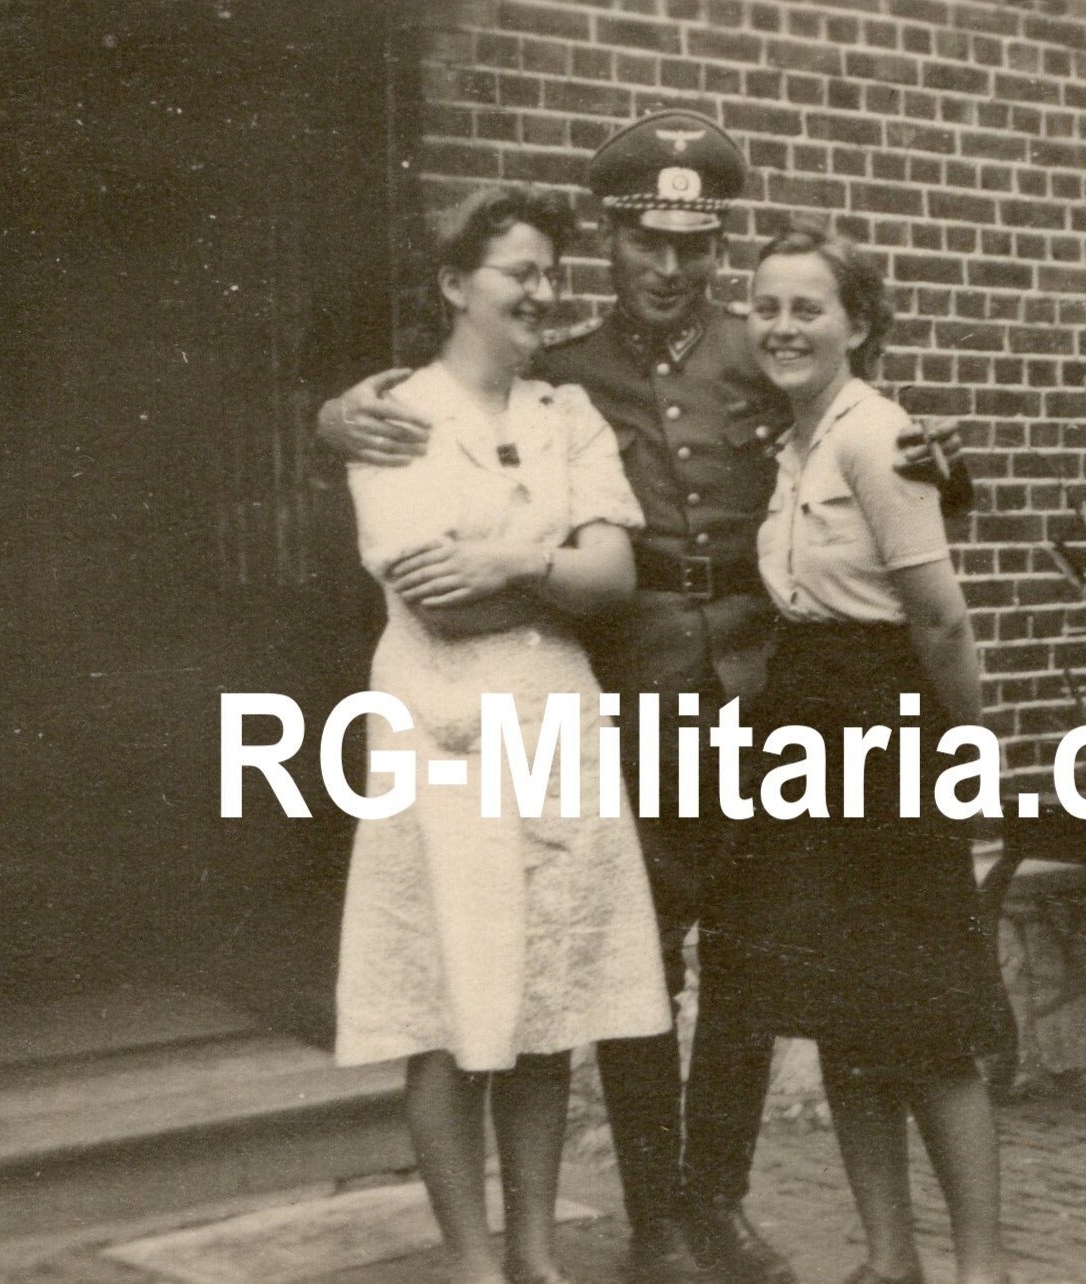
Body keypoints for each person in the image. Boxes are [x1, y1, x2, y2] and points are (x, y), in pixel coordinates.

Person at [320, 111, 969, 1284]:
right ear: (611, 241)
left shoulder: (763, 350)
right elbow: (438, 413)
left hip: (766, 691)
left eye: (695, 245)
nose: (670, 270)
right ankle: (656, 1217)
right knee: (634, 963)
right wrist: (331, 418)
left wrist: (945, 465)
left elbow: (866, 437)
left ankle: (715, 1200)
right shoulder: (561, 372)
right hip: (627, 686)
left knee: (752, 959)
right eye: (642, 243)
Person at [333, 186, 671, 1284]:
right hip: (441, 735)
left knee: (544, 1003)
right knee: (452, 999)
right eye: (519, 272)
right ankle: (476, 1266)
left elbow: (613, 578)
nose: (542, 291)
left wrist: (513, 563)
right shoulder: (393, 418)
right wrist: (548, 565)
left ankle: (535, 1257)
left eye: (547, 273)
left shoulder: (562, 415)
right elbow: (436, 601)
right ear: (452, 284)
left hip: (557, 730)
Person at [718, 225, 1014, 1284]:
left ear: (858, 324)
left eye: (809, 308)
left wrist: (962, 753)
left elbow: (939, 620)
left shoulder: (874, 435)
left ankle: (979, 1268)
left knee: (925, 1017)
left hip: (890, 732)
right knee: (842, 1012)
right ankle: (889, 1262)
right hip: (806, 729)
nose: (784, 326)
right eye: (767, 307)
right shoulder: (791, 442)